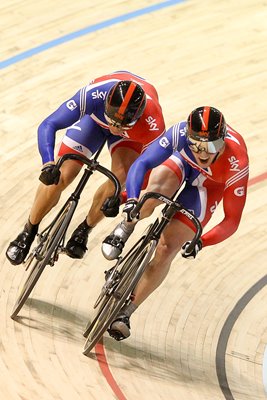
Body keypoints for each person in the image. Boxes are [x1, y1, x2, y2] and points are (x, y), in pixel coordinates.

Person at [101, 106, 249, 341]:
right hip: (182, 164)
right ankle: (125, 228)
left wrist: (201, 242)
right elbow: (142, 164)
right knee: (151, 196)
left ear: (221, 143)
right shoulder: (179, 133)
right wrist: (130, 201)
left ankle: (126, 313)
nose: (202, 152)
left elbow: (232, 220)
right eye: (196, 145)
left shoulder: (236, 162)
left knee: (167, 249)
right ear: (188, 137)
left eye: (210, 147)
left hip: (207, 188)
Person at [6, 71, 165, 265]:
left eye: (121, 123)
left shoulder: (153, 124)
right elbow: (49, 124)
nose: (114, 126)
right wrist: (48, 164)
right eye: (112, 119)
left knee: (120, 180)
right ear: (107, 103)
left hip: (129, 137)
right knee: (62, 175)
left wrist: (121, 198)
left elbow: (146, 174)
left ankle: (85, 229)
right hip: (95, 122)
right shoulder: (94, 94)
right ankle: (29, 230)